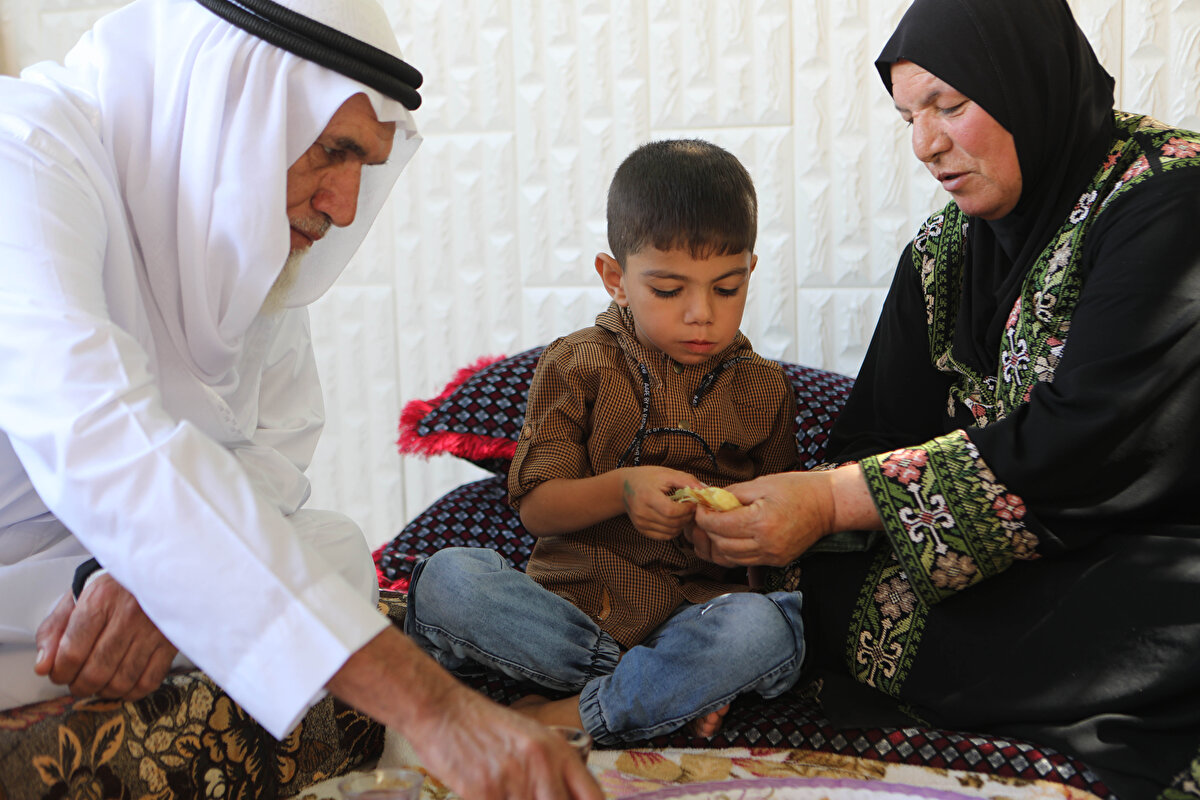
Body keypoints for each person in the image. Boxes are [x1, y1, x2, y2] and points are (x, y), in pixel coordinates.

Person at [0, 1, 600, 798]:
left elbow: (271, 461)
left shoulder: (230, 239)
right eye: (333, 151)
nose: (344, 204)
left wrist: (154, 575)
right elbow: (102, 437)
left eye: (365, 166)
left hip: (87, 573)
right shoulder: (28, 153)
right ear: (233, 106)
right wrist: (440, 713)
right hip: (22, 578)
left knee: (335, 549)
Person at [689, 0, 1200, 797]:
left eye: (950, 106)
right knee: (832, 580)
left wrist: (829, 504)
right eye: (908, 119)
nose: (927, 145)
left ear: (1026, 81)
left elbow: (1096, 437)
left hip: (1152, 548)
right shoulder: (944, 255)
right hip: (1005, 572)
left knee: (1168, 611)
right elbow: (869, 441)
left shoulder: (1168, 199)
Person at [404, 139, 807, 746]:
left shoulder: (763, 388)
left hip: (689, 621)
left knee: (768, 629)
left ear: (750, 271)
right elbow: (538, 507)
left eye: (726, 289)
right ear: (615, 278)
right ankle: (654, 695)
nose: (702, 314)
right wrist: (623, 489)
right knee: (446, 579)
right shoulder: (577, 364)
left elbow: (778, 533)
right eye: (669, 291)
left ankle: (562, 712)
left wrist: (735, 540)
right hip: (571, 616)